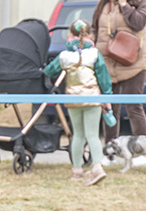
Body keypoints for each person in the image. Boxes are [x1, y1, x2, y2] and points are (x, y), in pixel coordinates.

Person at [44, 20, 112, 185]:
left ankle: (77, 171)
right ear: (89, 35)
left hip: (72, 99)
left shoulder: (65, 55)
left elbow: (49, 71)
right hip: (93, 98)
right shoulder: (95, 54)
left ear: (70, 35)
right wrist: (107, 98)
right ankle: (97, 167)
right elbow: (104, 78)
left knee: (78, 134)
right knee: (93, 135)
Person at [92, 0, 146, 146]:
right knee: (109, 109)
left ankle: (140, 148)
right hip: (107, 63)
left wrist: (124, 4)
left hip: (134, 63)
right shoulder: (104, 1)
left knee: (134, 107)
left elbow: (139, 22)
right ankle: (111, 148)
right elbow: (95, 26)